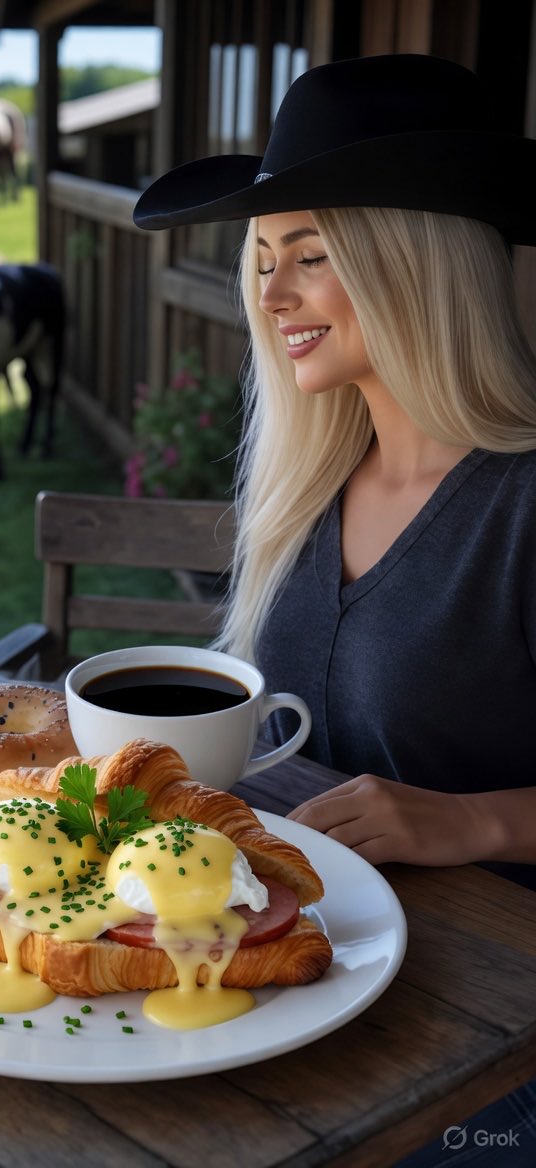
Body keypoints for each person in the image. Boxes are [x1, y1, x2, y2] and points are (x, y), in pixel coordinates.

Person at [133, 53, 536, 1167]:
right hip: (293, 980)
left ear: (417, 266)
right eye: (261, 260)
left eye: (309, 256)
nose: (269, 296)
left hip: (494, 1037)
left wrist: (474, 822)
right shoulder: (309, 488)